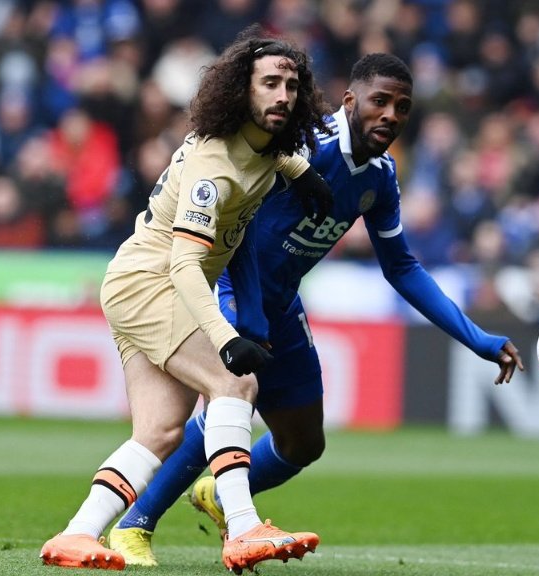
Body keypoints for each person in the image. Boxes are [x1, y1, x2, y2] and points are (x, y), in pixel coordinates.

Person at [107, 53, 525, 567]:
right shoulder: (301, 147)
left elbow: (402, 268)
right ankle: (134, 524)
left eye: (403, 107)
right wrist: (249, 317)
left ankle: (218, 494)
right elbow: (237, 229)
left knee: (303, 441)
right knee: (229, 395)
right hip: (233, 288)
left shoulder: (381, 176)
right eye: (380, 102)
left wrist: (478, 338)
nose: (391, 115)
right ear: (350, 101)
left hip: (281, 303)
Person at [39, 24, 333, 573]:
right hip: (152, 283)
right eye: (269, 83)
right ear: (240, 91)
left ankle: (77, 533)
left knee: (160, 433)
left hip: (131, 282)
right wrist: (226, 339)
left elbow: (270, 159)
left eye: (291, 86)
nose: (282, 96)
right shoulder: (212, 170)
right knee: (235, 381)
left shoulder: (262, 146)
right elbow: (183, 263)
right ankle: (243, 528)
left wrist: (304, 173)